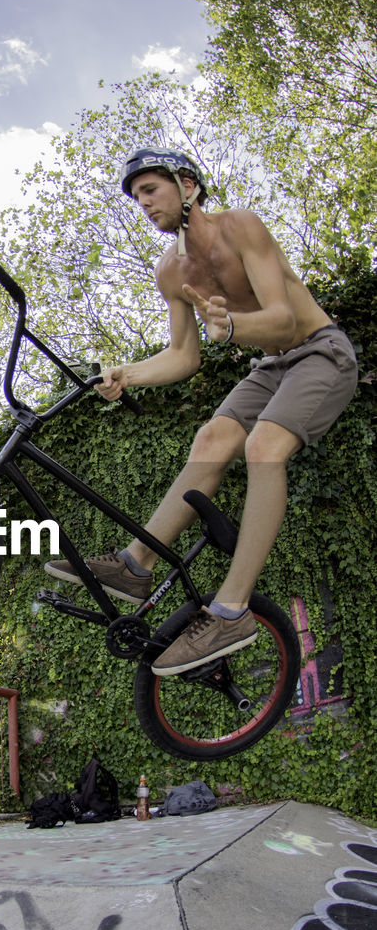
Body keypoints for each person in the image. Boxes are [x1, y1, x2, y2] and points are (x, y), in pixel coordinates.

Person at [45, 147, 359, 676]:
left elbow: (282, 321)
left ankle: (232, 610)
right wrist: (129, 373)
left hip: (320, 351)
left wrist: (232, 327)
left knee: (264, 446)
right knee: (212, 437)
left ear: (186, 185)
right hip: (272, 365)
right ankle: (134, 565)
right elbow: (183, 356)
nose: (142, 204)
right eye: (135, 197)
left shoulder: (241, 228)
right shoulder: (171, 270)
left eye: (150, 190)